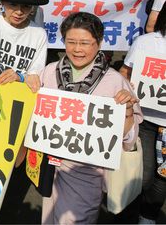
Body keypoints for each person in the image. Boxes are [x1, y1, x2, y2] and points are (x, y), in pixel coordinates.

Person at [40, 12, 142, 224]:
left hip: (87, 171)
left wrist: (128, 112)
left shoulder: (114, 81)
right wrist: (22, 81)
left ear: (99, 43)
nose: (77, 49)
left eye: (85, 43)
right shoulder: (49, 72)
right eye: (71, 42)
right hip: (49, 165)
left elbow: (128, 140)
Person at [120, 3, 166, 224]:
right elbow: (125, 72)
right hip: (145, 119)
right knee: (144, 174)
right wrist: (124, 92)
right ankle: (128, 213)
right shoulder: (146, 42)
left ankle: (148, 216)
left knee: (163, 177)